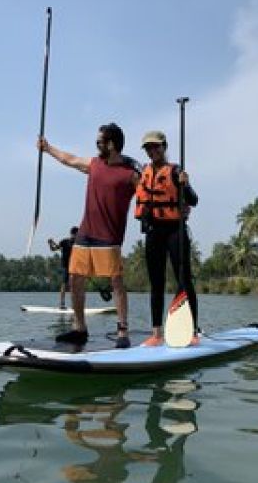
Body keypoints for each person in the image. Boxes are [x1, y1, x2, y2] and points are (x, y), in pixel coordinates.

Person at [37, 123, 141, 348]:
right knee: (75, 278)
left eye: (99, 142)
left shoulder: (130, 174)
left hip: (109, 237)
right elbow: (70, 159)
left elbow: (151, 192)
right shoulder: (94, 164)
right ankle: (79, 328)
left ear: (111, 145)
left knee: (116, 281)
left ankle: (122, 331)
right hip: (86, 234)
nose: (96, 147)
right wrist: (48, 148)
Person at [135, 130, 199, 346]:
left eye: (156, 147)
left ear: (164, 147)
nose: (152, 151)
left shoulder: (175, 171)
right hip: (154, 231)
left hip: (175, 230)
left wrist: (185, 184)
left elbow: (193, 200)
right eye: (148, 148)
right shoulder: (144, 172)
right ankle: (156, 333)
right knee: (156, 282)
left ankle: (193, 331)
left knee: (184, 279)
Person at [48, 226, 78, 309]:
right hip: (65, 266)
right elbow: (53, 249)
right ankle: (62, 304)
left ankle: (74, 305)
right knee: (64, 284)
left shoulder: (78, 243)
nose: (76, 236)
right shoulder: (64, 241)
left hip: (74, 266)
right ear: (72, 234)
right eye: (76, 235)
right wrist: (50, 244)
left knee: (73, 285)